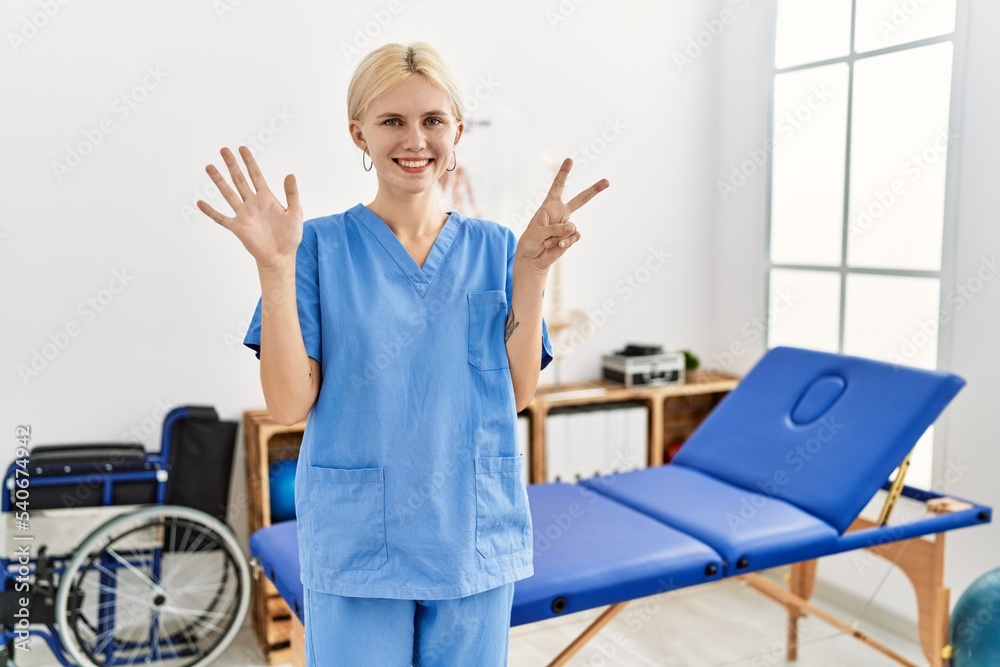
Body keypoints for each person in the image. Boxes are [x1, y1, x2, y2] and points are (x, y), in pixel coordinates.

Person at [198, 42, 608, 667]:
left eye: (433, 121)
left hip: (469, 531)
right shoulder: (315, 247)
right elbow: (286, 404)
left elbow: (516, 395)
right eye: (392, 121)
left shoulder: (500, 247)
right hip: (360, 537)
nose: (415, 139)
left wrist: (531, 274)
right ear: (358, 133)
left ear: (457, 132)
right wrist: (274, 269)